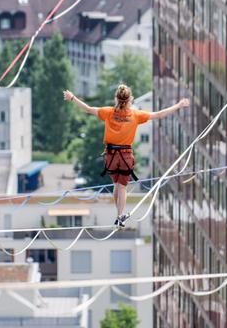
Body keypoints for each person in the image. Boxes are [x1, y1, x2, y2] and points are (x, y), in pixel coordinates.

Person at [63, 84, 189, 228]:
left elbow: (87, 109)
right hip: (125, 156)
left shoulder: (108, 112)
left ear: (116, 99)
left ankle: (118, 214)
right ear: (130, 100)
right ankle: (119, 216)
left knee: (116, 186)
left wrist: (72, 97)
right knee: (122, 187)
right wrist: (178, 105)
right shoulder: (135, 115)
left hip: (110, 156)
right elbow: (159, 114)